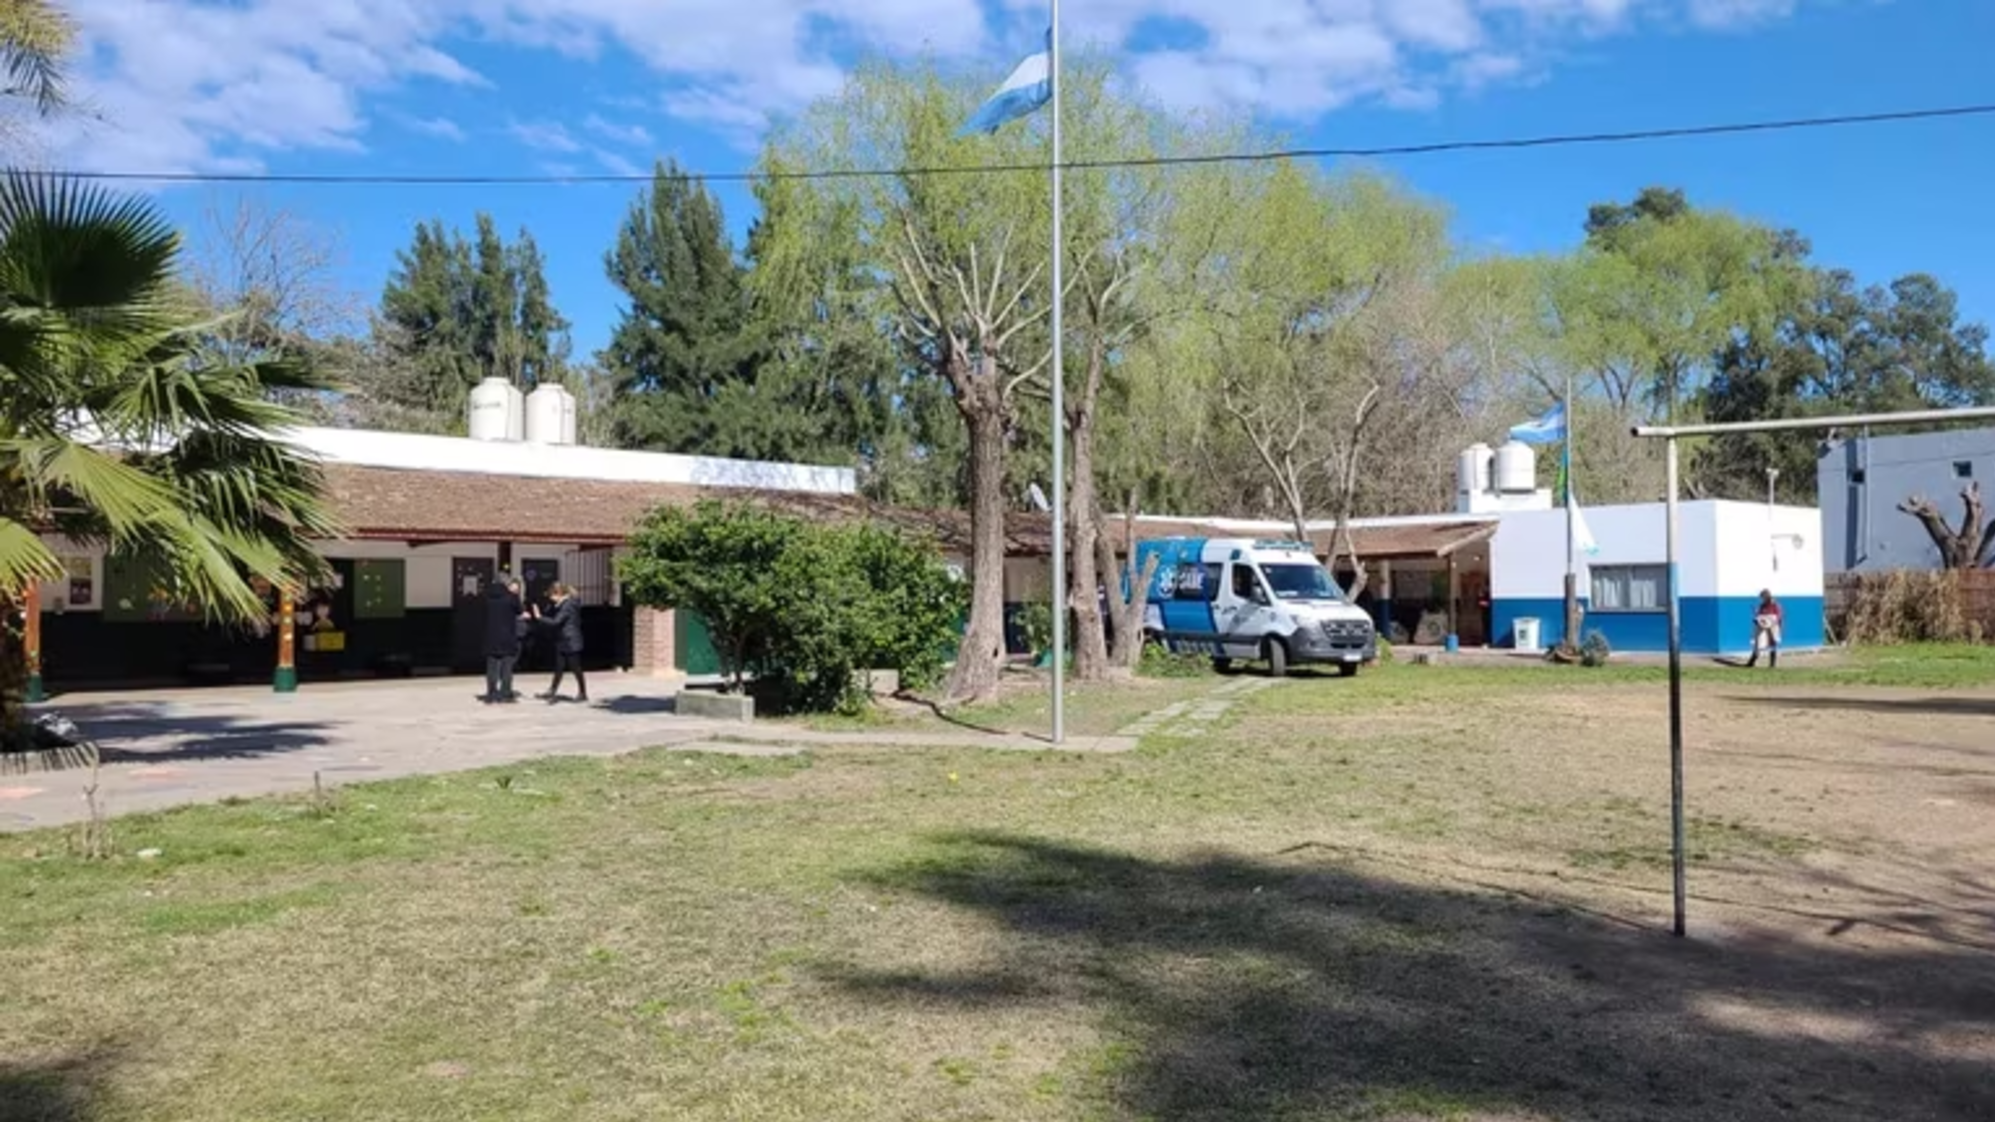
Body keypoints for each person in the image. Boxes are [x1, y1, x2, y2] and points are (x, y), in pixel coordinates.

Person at [537, 583, 587, 703]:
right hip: (563, 639)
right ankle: (552, 690)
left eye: (552, 596)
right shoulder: (562, 604)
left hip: (570, 640)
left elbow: (556, 621)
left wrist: (540, 617)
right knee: (559, 667)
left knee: (575, 667)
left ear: (558, 594)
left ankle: (582, 692)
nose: (551, 599)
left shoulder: (568, 605)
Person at [482, 577, 525, 703]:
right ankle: (505, 694)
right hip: (507, 637)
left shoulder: (486, 597)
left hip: (490, 637)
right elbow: (520, 610)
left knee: (491, 668)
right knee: (507, 667)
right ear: (506, 584)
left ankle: (491, 694)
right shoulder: (511, 597)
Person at [1746, 589, 1783, 669]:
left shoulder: (1775, 605)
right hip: (1762, 627)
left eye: (1762, 597)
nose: (1761, 599)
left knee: (1772, 644)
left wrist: (1775, 624)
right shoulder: (1762, 605)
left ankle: (1772, 664)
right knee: (1758, 643)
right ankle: (1751, 662)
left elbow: (1778, 616)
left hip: (1772, 627)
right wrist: (1757, 617)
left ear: (1766, 596)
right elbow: (1759, 615)